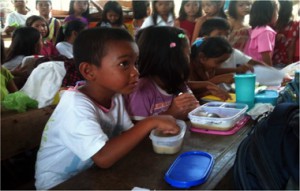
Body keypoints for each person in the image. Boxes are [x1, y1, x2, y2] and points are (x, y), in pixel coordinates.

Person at [34, 27, 180, 190]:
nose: (136, 72)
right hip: (59, 184)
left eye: (135, 63)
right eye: (124, 64)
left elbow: (127, 134)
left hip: (91, 176)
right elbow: (103, 158)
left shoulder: (115, 97)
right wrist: (151, 122)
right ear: (89, 71)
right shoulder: (75, 106)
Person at [125, 26, 199, 121]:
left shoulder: (178, 83)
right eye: (187, 54)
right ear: (171, 59)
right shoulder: (142, 90)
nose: (190, 59)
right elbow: (136, 130)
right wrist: (172, 112)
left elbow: (193, 110)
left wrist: (191, 107)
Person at [199, 17, 263, 74]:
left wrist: (271, 70)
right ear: (206, 37)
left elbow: (253, 62)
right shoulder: (202, 54)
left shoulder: (232, 52)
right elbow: (212, 72)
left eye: (227, 34)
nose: (224, 38)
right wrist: (237, 70)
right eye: (219, 34)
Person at [244, 0, 279, 66]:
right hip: (260, 69)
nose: (278, 15)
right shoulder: (266, 31)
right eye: (277, 11)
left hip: (252, 68)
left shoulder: (255, 29)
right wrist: (271, 71)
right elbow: (265, 54)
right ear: (269, 13)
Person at [272, 0, 299, 68]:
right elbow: (291, 47)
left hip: (269, 60)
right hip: (285, 60)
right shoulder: (294, 24)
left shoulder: (270, 23)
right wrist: (290, 64)